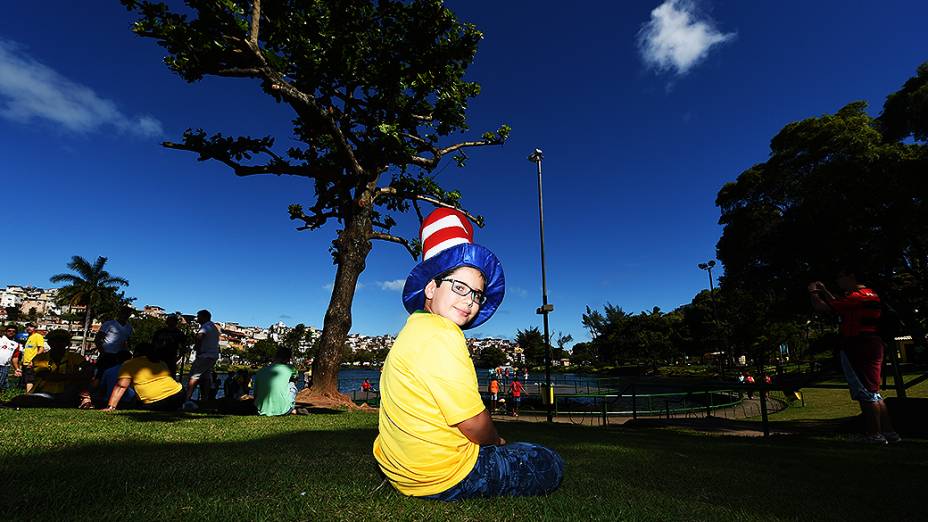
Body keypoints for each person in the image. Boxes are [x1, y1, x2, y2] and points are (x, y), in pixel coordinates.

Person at [373, 208, 563, 501]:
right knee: (547, 460)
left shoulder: (411, 332)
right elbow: (474, 423)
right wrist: (496, 441)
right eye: (459, 287)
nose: (469, 300)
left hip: (402, 470)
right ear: (431, 287)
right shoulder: (445, 335)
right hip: (442, 475)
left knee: (521, 450)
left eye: (477, 294)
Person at [809, 270, 900, 444]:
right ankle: (889, 432)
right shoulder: (868, 295)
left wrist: (813, 292)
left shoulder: (857, 297)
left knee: (865, 392)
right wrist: (826, 291)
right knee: (873, 393)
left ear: (851, 276)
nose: (838, 282)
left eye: (840, 277)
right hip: (871, 343)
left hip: (859, 346)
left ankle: (874, 434)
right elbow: (839, 305)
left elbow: (823, 307)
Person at [9, 329, 93, 408]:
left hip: (67, 393)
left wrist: (80, 377)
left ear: (67, 343)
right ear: (49, 343)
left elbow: (89, 370)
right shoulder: (40, 358)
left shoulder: (75, 357)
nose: (58, 344)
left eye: (61, 341)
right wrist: (75, 376)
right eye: (55, 341)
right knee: (20, 399)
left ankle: (84, 399)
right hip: (45, 392)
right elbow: (49, 376)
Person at [102, 342, 185, 411]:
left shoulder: (129, 364)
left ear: (136, 353)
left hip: (157, 401)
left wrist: (111, 407)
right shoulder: (161, 362)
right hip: (179, 394)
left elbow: (121, 386)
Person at [182, 309, 220, 411]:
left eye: (199, 317)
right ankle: (205, 399)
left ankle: (187, 398)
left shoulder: (205, 326)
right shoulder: (214, 327)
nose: (197, 318)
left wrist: (197, 348)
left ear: (204, 317)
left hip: (205, 355)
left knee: (194, 376)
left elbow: (200, 336)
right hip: (213, 355)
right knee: (206, 377)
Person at [252, 347, 298, 416]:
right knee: (292, 383)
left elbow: (255, 393)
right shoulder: (291, 369)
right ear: (288, 359)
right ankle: (289, 406)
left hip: (260, 409)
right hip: (283, 410)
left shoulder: (261, 371)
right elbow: (296, 378)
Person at [94, 308, 133, 376]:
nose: (125, 316)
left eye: (127, 314)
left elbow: (127, 342)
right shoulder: (109, 324)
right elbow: (97, 339)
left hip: (119, 356)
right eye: (124, 313)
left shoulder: (129, 327)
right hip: (107, 354)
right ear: (119, 314)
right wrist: (103, 353)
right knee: (101, 376)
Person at [152, 314, 186, 378]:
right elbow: (153, 344)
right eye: (169, 320)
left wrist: (178, 358)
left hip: (171, 358)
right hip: (159, 357)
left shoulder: (179, 333)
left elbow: (183, 347)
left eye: (172, 320)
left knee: (170, 376)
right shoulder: (160, 332)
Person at [21, 323, 45, 393]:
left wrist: (33, 361)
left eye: (31, 326)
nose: (28, 328)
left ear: (35, 328)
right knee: (26, 381)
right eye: (27, 326)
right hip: (25, 363)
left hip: (31, 363)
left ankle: (28, 397)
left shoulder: (38, 336)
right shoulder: (29, 337)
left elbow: (41, 349)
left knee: (29, 380)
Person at [0, 326, 19, 391]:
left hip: (5, 366)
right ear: (5, 332)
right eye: (9, 331)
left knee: (1, 383)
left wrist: (17, 368)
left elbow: (15, 357)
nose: (11, 332)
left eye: (13, 331)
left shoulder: (16, 344)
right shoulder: (1, 339)